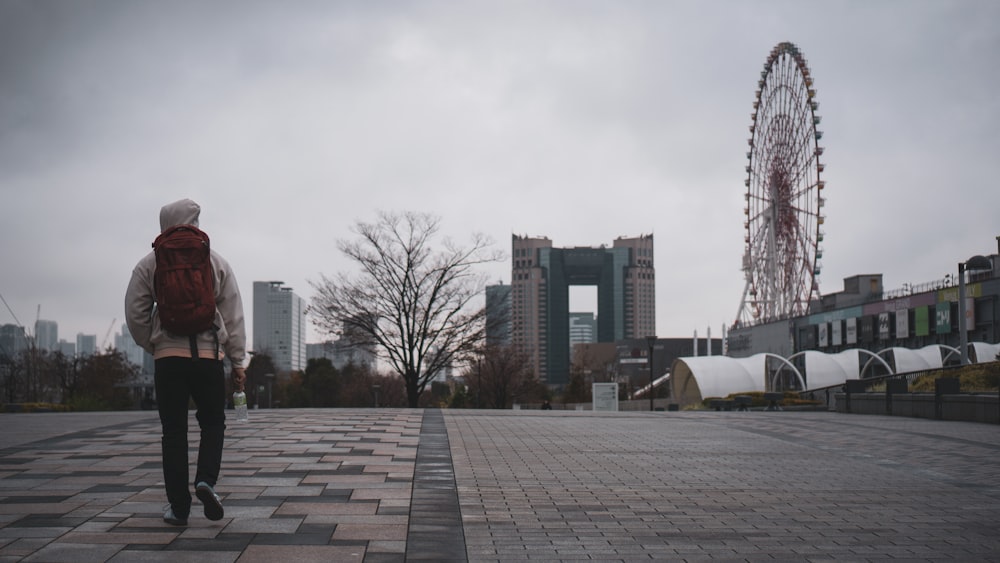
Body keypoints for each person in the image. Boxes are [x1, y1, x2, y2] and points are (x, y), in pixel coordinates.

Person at [125, 198, 247, 526]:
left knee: (174, 431)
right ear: (195, 221)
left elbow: (135, 313)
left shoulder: (150, 263)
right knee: (212, 422)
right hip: (208, 357)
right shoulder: (215, 261)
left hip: (169, 359)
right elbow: (233, 315)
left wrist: (155, 344)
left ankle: (178, 508)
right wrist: (238, 362)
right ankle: (206, 480)